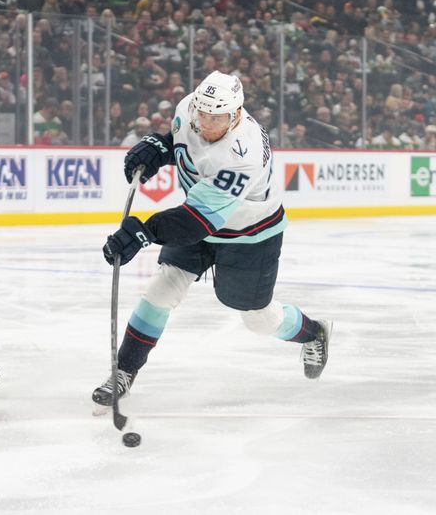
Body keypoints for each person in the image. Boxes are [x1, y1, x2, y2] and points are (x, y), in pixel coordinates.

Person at [93, 71, 333, 409]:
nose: (205, 123)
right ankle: (124, 372)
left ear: (235, 115)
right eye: (201, 114)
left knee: (257, 319)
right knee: (162, 290)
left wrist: (143, 232)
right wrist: (160, 148)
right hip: (199, 217)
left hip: (250, 235)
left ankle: (313, 332)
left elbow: (195, 222)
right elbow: (181, 143)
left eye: (216, 117)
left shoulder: (241, 155)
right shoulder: (189, 108)